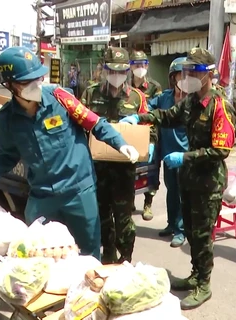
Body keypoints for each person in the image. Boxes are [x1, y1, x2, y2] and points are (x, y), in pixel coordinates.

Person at [0, 47, 140, 260]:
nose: (36, 84)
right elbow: (6, 157)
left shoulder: (61, 98)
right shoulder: (7, 118)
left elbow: (95, 123)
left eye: (38, 78)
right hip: (42, 197)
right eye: (27, 81)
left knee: (88, 254)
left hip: (78, 192)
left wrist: (120, 143)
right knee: (39, 254)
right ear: (11, 86)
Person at [120, 47, 236, 310]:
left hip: (209, 183)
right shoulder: (192, 101)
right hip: (189, 180)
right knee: (193, 233)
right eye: (186, 71)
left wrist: (184, 158)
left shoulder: (219, 105)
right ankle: (195, 273)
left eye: (193, 71)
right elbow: (167, 116)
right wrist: (140, 117)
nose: (188, 76)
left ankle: (204, 284)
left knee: (204, 236)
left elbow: (221, 149)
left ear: (208, 74)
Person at [80, 47, 157, 264]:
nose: (117, 75)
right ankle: (108, 252)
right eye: (113, 70)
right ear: (104, 69)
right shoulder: (90, 94)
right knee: (102, 213)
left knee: (124, 217)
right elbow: (78, 122)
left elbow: (149, 124)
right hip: (97, 165)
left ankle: (126, 257)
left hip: (125, 167)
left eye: (122, 71)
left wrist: (149, 144)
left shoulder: (136, 97)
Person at [149, 57, 189, 248]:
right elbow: (148, 107)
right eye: (180, 75)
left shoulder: (193, 100)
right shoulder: (164, 97)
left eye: (187, 75)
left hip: (185, 156)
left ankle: (181, 231)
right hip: (167, 154)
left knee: (183, 194)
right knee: (171, 191)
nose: (184, 79)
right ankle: (171, 224)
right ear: (173, 78)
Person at [129, 50, 162, 221]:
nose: (140, 68)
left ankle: (148, 204)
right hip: (130, 134)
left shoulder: (154, 87)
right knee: (130, 170)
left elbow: (156, 114)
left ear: (147, 66)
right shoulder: (126, 86)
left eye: (143, 64)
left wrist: (153, 139)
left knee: (149, 171)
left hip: (149, 134)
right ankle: (130, 200)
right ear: (130, 66)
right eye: (136, 64)